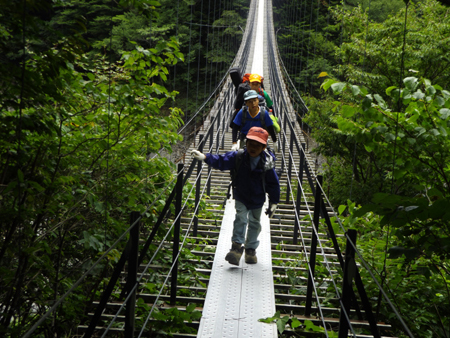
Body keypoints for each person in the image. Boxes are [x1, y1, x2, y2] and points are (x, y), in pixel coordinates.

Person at [191, 127, 280, 265]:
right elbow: (222, 160)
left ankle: (250, 249)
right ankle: (236, 248)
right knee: (241, 219)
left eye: (257, 145)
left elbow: (273, 183)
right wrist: (205, 157)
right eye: (251, 144)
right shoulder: (238, 156)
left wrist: (274, 202)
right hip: (241, 195)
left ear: (263, 147)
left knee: (255, 223)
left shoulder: (267, 163)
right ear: (246, 143)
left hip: (258, 197)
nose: (253, 148)